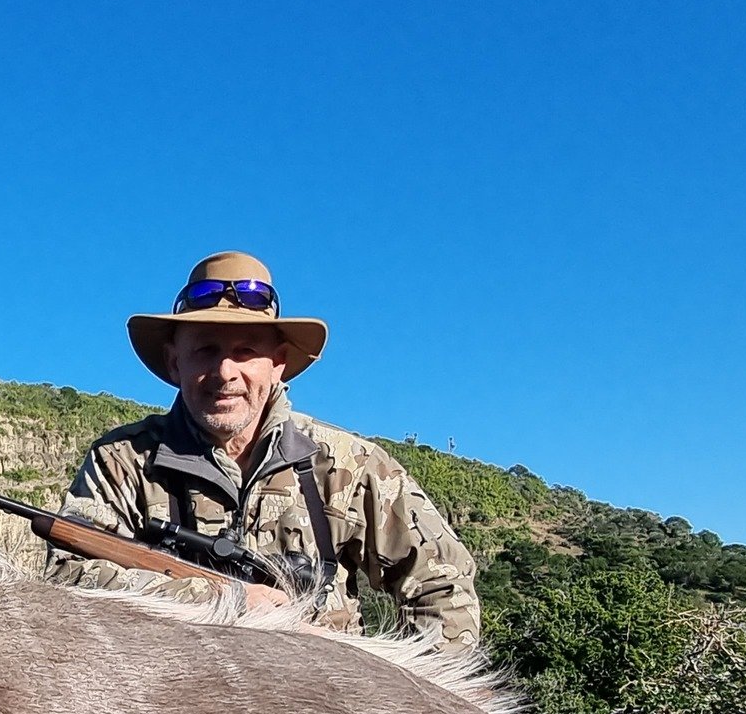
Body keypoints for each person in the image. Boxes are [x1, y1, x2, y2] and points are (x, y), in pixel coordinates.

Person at [47, 251, 481, 650]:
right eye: (205, 351)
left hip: (328, 710)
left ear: (277, 364)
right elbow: (70, 574)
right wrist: (223, 597)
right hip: (171, 704)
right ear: (176, 361)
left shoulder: (354, 467)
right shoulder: (121, 461)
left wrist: (394, 707)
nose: (224, 373)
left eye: (245, 352)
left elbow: (445, 588)